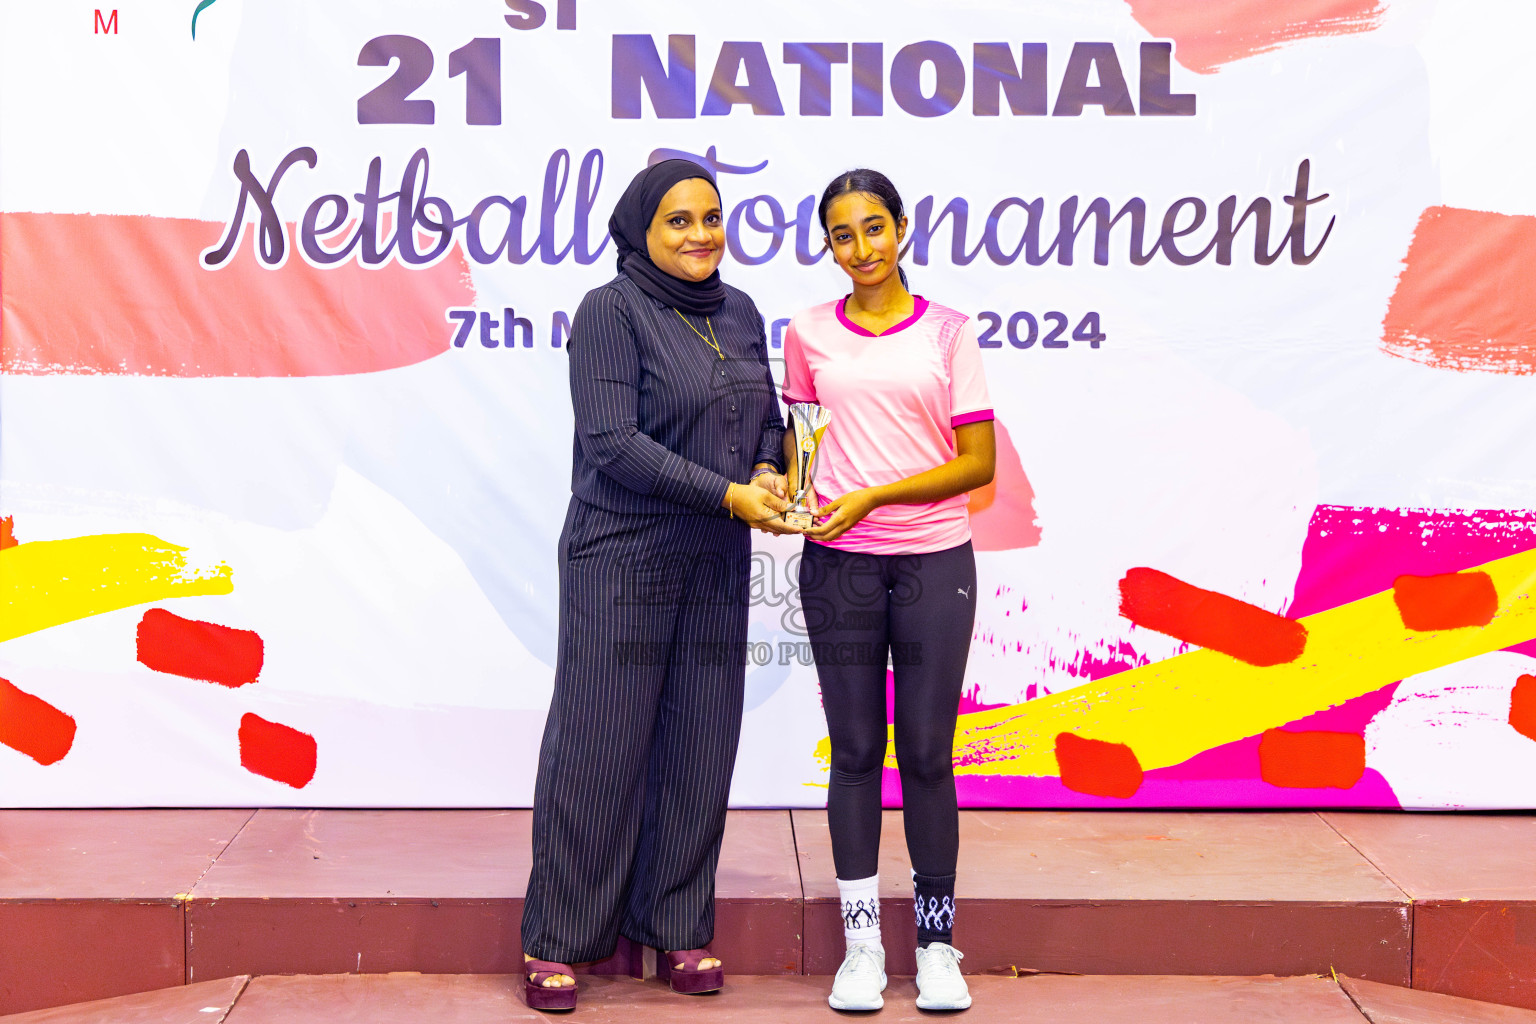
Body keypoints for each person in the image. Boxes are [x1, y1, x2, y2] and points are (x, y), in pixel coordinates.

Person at [520, 158, 800, 1012]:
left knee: (700, 744)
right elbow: (611, 442)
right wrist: (729, 493)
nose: (701, 234)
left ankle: (674, 923)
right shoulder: (610, 313)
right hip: (621, 554)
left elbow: (774, 423)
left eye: (712, 217)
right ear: (642, 227)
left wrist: (766, 468)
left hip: (715, 557)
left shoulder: (743, 311)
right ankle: (559, 939)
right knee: (600, 745)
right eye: (679, 220)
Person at [781, 168, 996, 1012]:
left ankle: (938, 945)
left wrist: (874, 495)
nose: (861, 248)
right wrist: (796, 498)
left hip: (934, 562)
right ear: (828, 245)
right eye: (842, 234)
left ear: (902, 228)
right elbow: (803, 443)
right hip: (840, 569)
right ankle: (862, 947)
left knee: (930, 756)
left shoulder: (948, 333)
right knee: (858, 754)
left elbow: (979, 466)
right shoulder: (806, 332)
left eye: (874, 228)